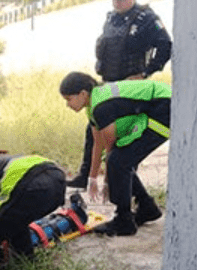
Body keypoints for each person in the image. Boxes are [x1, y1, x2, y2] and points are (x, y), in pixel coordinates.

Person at [68, 0, 172, 190]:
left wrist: (145, 73)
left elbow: (165, 46)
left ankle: (132, 194)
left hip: (130, 93)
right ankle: (87, 174)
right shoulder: (112, 19)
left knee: (120, 147)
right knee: (94, 131)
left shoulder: (146, 18)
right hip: (107, 86)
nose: (117, 2)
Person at [60, 71, 170, 236]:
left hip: (165, 109)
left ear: (83, 94)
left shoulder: (101, 107)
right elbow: (98, 143)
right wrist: (91, 179)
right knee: (121, 160)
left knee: (119, 161)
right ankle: (147, 207)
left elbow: (110, 148)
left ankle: (124, 221)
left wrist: (107, 182)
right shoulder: (93, 105)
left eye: (69, 99)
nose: (67, 105)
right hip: (154, 107)